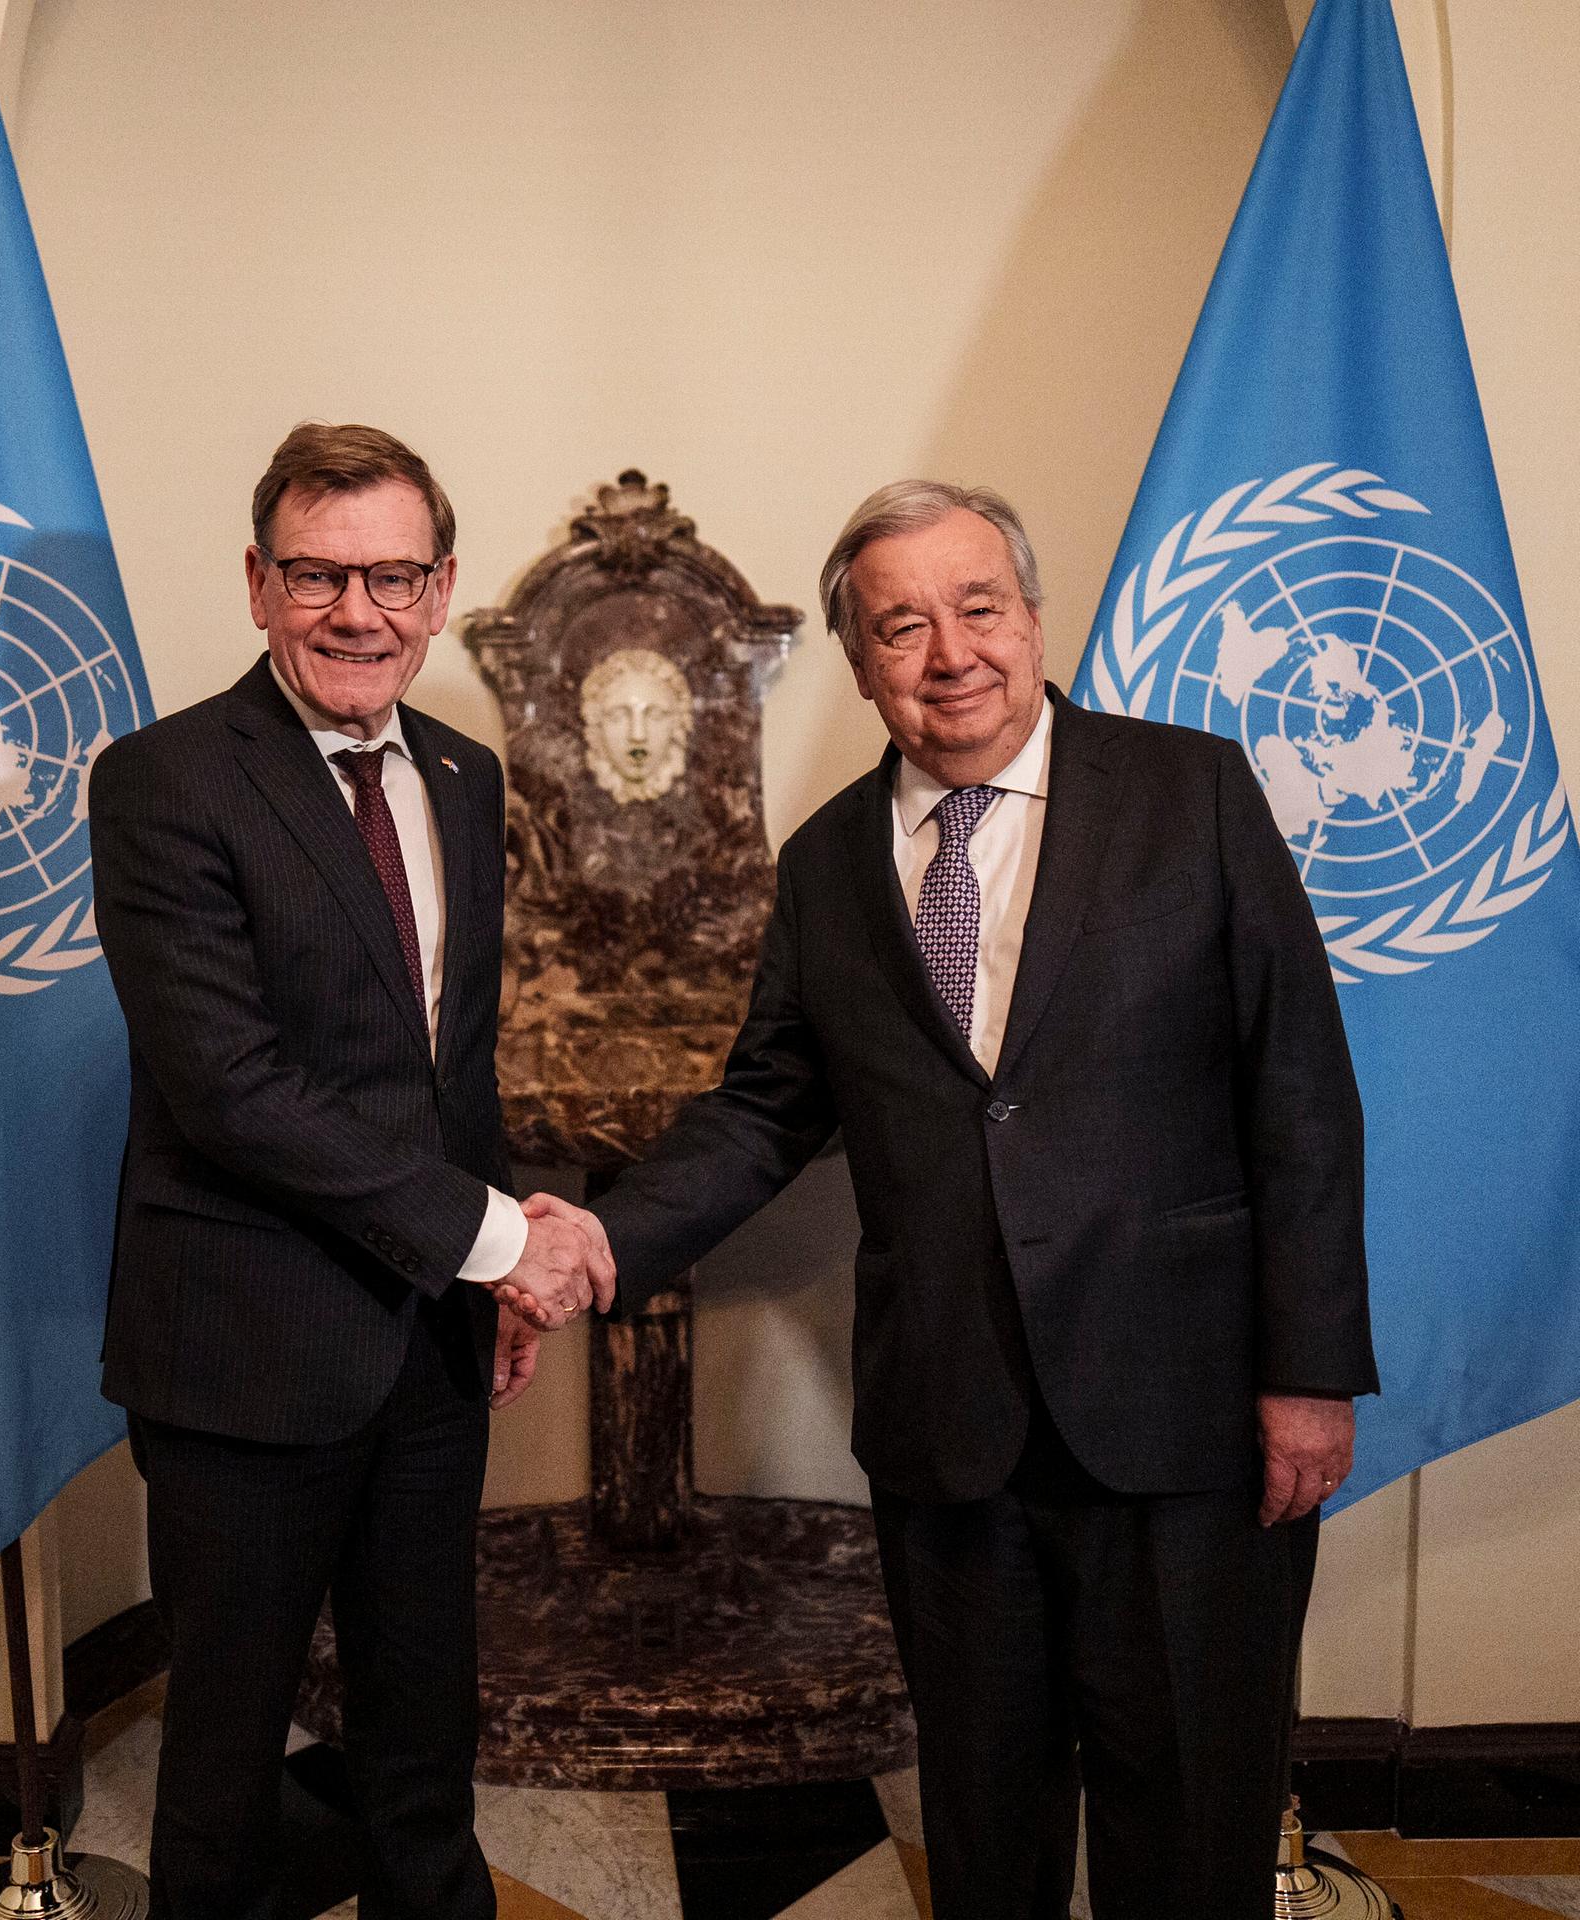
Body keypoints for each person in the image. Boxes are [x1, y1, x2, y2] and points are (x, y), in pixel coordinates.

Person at [513, 481, 1378, 1919]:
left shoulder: (1195, 794)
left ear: (1034, 618)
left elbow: (1301, 1095)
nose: (948, 651)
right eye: (899, 625)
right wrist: (605, 1235)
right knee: (985, 1829)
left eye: (978, 608)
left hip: (1182, 1420)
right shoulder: (830, 866)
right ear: (859, 664)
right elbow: (764, 1110)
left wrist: (1312, 1374)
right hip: (950, 1431)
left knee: (1190, 1826)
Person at [90, 422, 611, 1920]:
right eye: (319, 574)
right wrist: (501, 1238)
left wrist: (486, 1270)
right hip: (240, 1360)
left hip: (426, 1352)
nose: (357, 611)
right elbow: (232, 1091)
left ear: (443, 588)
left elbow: (453, 1068)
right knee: (226, 1767)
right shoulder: (166, 782)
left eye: (392, 574)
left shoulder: (464, 776)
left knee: (422, 1742)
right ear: (257, 583)